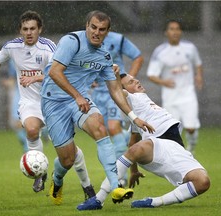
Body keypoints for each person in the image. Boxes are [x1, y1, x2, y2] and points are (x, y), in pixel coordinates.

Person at [40, 10, 153, 205]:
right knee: (67, 160)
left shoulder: (104, 57)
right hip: (54, 102)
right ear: (87, 26)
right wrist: (76, 96)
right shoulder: (71, 41)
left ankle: (116, 185)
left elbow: (116, 91)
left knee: (101, 127)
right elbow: (55, 72)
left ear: (107, 32)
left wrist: (134, 117)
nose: (96, 32)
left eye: (102, 29)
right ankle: (57, 180)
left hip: (80, 101)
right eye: (93, 27)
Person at [0, 11, 94, 200]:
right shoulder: (12, 47)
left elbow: (59, 72)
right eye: (25, 29)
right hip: (30, 102)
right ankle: (40, 173)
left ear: (39, 29)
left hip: (54, 102)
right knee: (32, 130)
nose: (29, 32)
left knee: (70, 153)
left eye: (33, 28)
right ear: (20, 31)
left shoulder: (49, 48)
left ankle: (87, 186)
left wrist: (35, 76)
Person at [77, 74, 210, 210]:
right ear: (125, 90)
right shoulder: (132, 98)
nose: (136, 81)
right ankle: (99, 198)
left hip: (175, 146)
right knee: (139, 148)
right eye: (130, 82)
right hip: (155, 144)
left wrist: (134, 171)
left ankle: (154, 202)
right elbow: (116, 91)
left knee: (202, 182)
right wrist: (115, 76)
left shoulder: (139, 111)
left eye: (134, 79)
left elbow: (132, 141)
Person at [147, 20, 204, 154]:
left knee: (191, 127)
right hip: (170, 96)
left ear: (181, 32)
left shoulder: (190, 48)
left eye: (177, 29)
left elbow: (198, 63)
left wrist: (199, 76)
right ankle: (176, 154)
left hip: (188, 94)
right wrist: (163, 82)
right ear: (166, 32)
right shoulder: (160, 52)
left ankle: (191, 146)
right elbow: (151, 74)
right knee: (173, 129)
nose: (174, 32)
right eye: (171, 29)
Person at [91, 31, 144, 164]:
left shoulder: (118, 39)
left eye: (102, 27)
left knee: (113, 127)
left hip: (114, 90)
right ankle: (133, 139)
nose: (98, 30)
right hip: (97, 93)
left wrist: (126, 80)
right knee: (103, 132)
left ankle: (120, 178)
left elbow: (138, 57)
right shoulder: (87, 41)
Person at [2, 59, 28, 152]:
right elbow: (12, 78)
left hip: (34, 92)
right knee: (18, 122)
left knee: (35, 122)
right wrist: (8, 83)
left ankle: (44, 132)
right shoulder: (13, 61)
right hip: (19, 92)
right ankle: (27, 148)